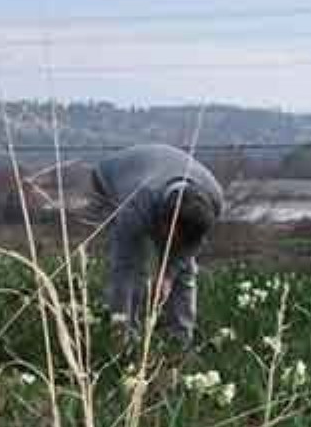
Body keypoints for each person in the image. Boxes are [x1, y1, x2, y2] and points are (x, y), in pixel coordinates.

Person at [90, 144, 223, 346]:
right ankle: (124, 339)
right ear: (162, 221)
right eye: (172, 237)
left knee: (185, 270)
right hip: (110, 178)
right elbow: (123, 268)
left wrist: (168, 275)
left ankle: (180, 340)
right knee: (134, 267)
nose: (175, 245)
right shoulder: (135, 206)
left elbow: (190, 247)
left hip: (158, 176)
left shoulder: (213, 200)